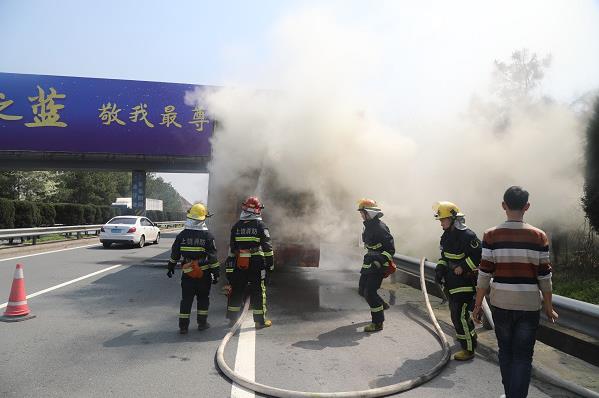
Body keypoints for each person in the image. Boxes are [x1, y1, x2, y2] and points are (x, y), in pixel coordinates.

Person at [473, 186, 558, 398]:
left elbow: (484, 274)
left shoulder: (491, 235)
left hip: (501, 304)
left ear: (503, 205)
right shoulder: (539, 236)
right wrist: (548, 306)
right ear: (527, 206)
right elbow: (545, 277)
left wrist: (477, 305)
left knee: (506, 353)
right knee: (522, 357)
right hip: (529, 307)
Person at [433, 201, 481, 360]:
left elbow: (478, 257)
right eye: (440, 220)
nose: (441, 222)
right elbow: (444, 257)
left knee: (458, 315)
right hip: (451, 282)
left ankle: (468, 349)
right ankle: (470, 337)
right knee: (458, 315)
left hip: (464, 283)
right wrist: (439, 269)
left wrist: (463, 267)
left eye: (443, 219)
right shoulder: (446, 236)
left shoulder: (468, 236)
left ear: (453, 219)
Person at [167, 202, 220, 334]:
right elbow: (213, 258)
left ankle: (183, 327)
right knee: (203, 299)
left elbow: (175, 253)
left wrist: (171, 266)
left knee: (186, 299)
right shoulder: (208, 236)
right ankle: (202, 324)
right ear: (203, 219)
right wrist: (216, 273)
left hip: (187, 272)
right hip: (204, 273)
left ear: (190, 218)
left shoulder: (182, 235)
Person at [225, 196, 274, 329]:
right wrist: (270, 266)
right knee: (258, 290)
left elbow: (231, 249)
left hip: (239, 262)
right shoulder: (261, 226)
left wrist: (229, 268)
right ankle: (259, 321)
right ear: (257, 211)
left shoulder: (236, 226)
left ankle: (232, 320)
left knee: (236, 290)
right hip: (256, 262)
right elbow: (267, 248)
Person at [357, 198, 395, 333]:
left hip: (378, 265)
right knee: (362, 290)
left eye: (363, 213)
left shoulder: (381, 228)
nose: (361, 215)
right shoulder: (368, 226)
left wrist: (379, 260)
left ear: (369, 213)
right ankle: (381, 305)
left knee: (370, 292)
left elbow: (390, 250)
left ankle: (378, 322)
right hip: (369, 263)